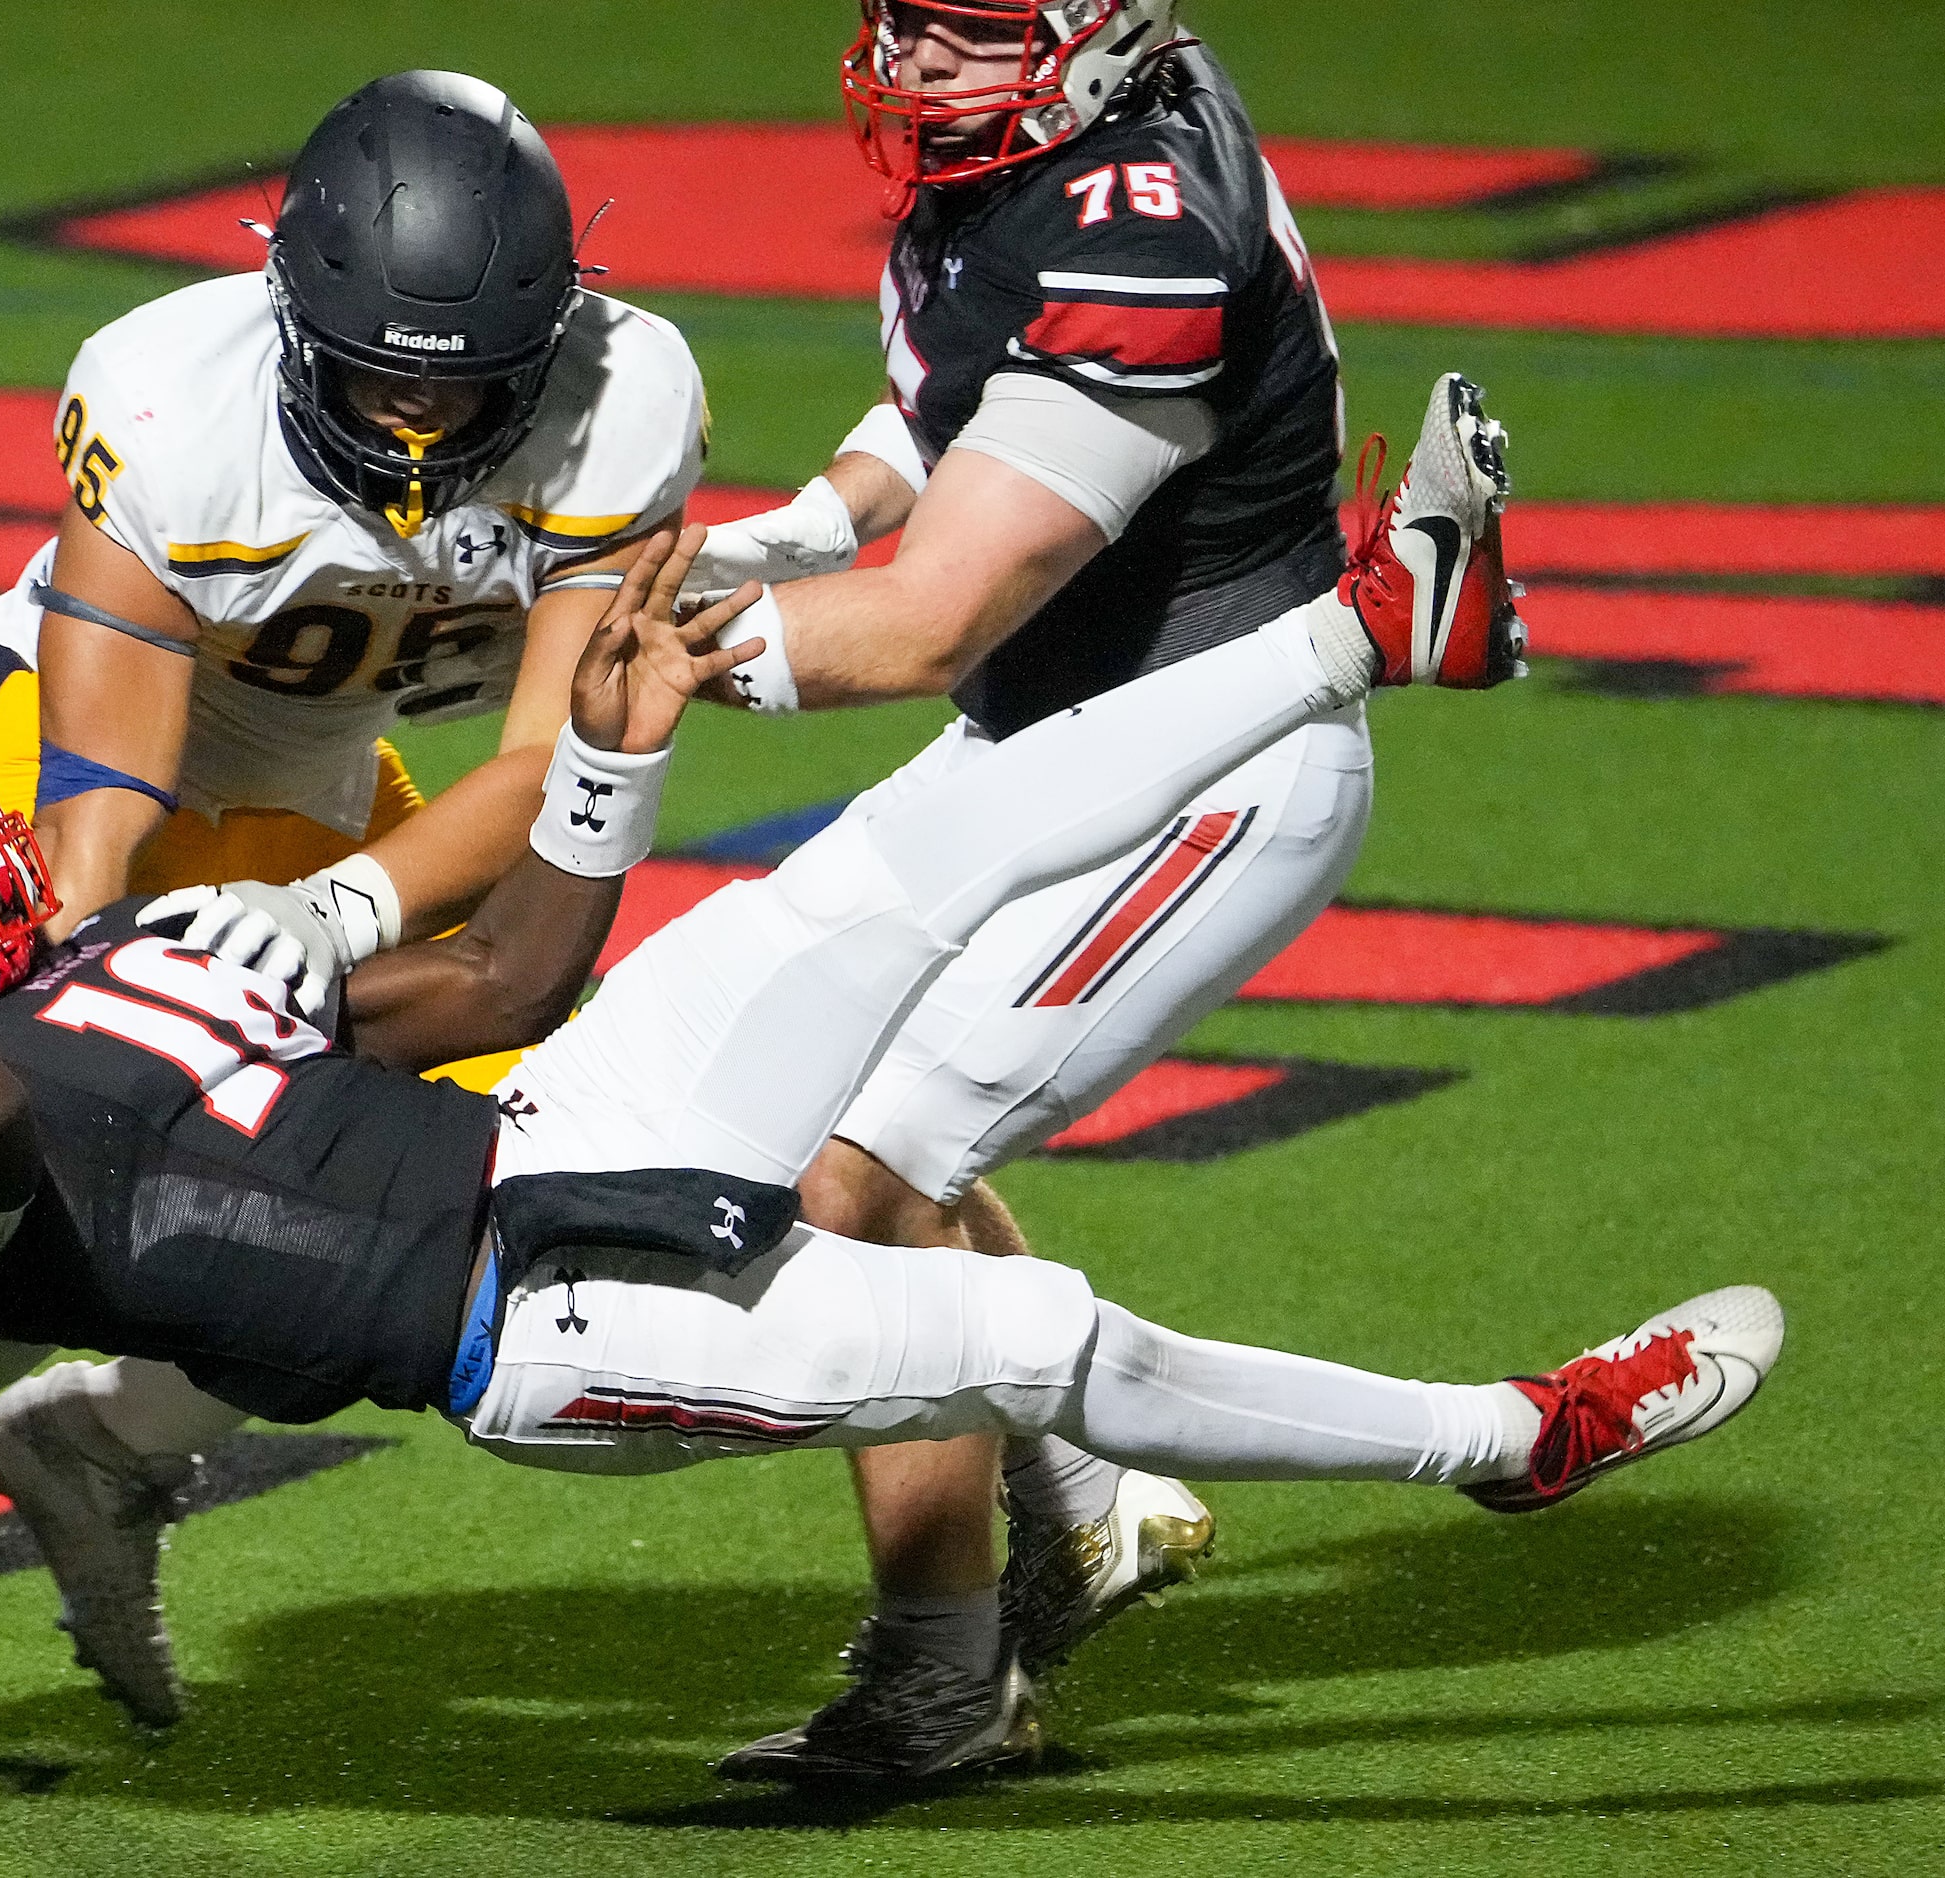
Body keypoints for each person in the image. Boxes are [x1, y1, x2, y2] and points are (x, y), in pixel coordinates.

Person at [0, 510, 1772, 1761]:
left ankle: (1362, 617)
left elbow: (506, 985)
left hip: (563, 1121)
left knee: (892, 850)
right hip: (532, 1340)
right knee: (1032, 1340)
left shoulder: (143, 950)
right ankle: (1515, 1438)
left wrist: (609, 768)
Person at [0, 66, 709, 1735]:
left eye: (464, 391)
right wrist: (75, 952)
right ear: (284, 306)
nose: (415, 431)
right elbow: (109, 768)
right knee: (81, 1149)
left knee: (416, 1204)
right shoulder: (169, 396)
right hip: (91, 750)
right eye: (377, 387)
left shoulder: (623, 394)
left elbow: (551, 751)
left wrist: (340, 905)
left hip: (342, 796)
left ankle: (102, 1444)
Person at [642, 0, 1525, 1777]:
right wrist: (812, 519)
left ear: (1094, 37)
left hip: (1198, 768)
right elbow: (958, 386)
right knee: (805, 1116)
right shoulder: (1052, 146)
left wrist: (604, 649)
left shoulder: (1135, 222)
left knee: (855, 1177)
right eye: (900, 20)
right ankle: (1088, 1500)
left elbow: (926, 620)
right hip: (1058, 747)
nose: (908, 66)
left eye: (962, 35)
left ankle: (942, 1670)